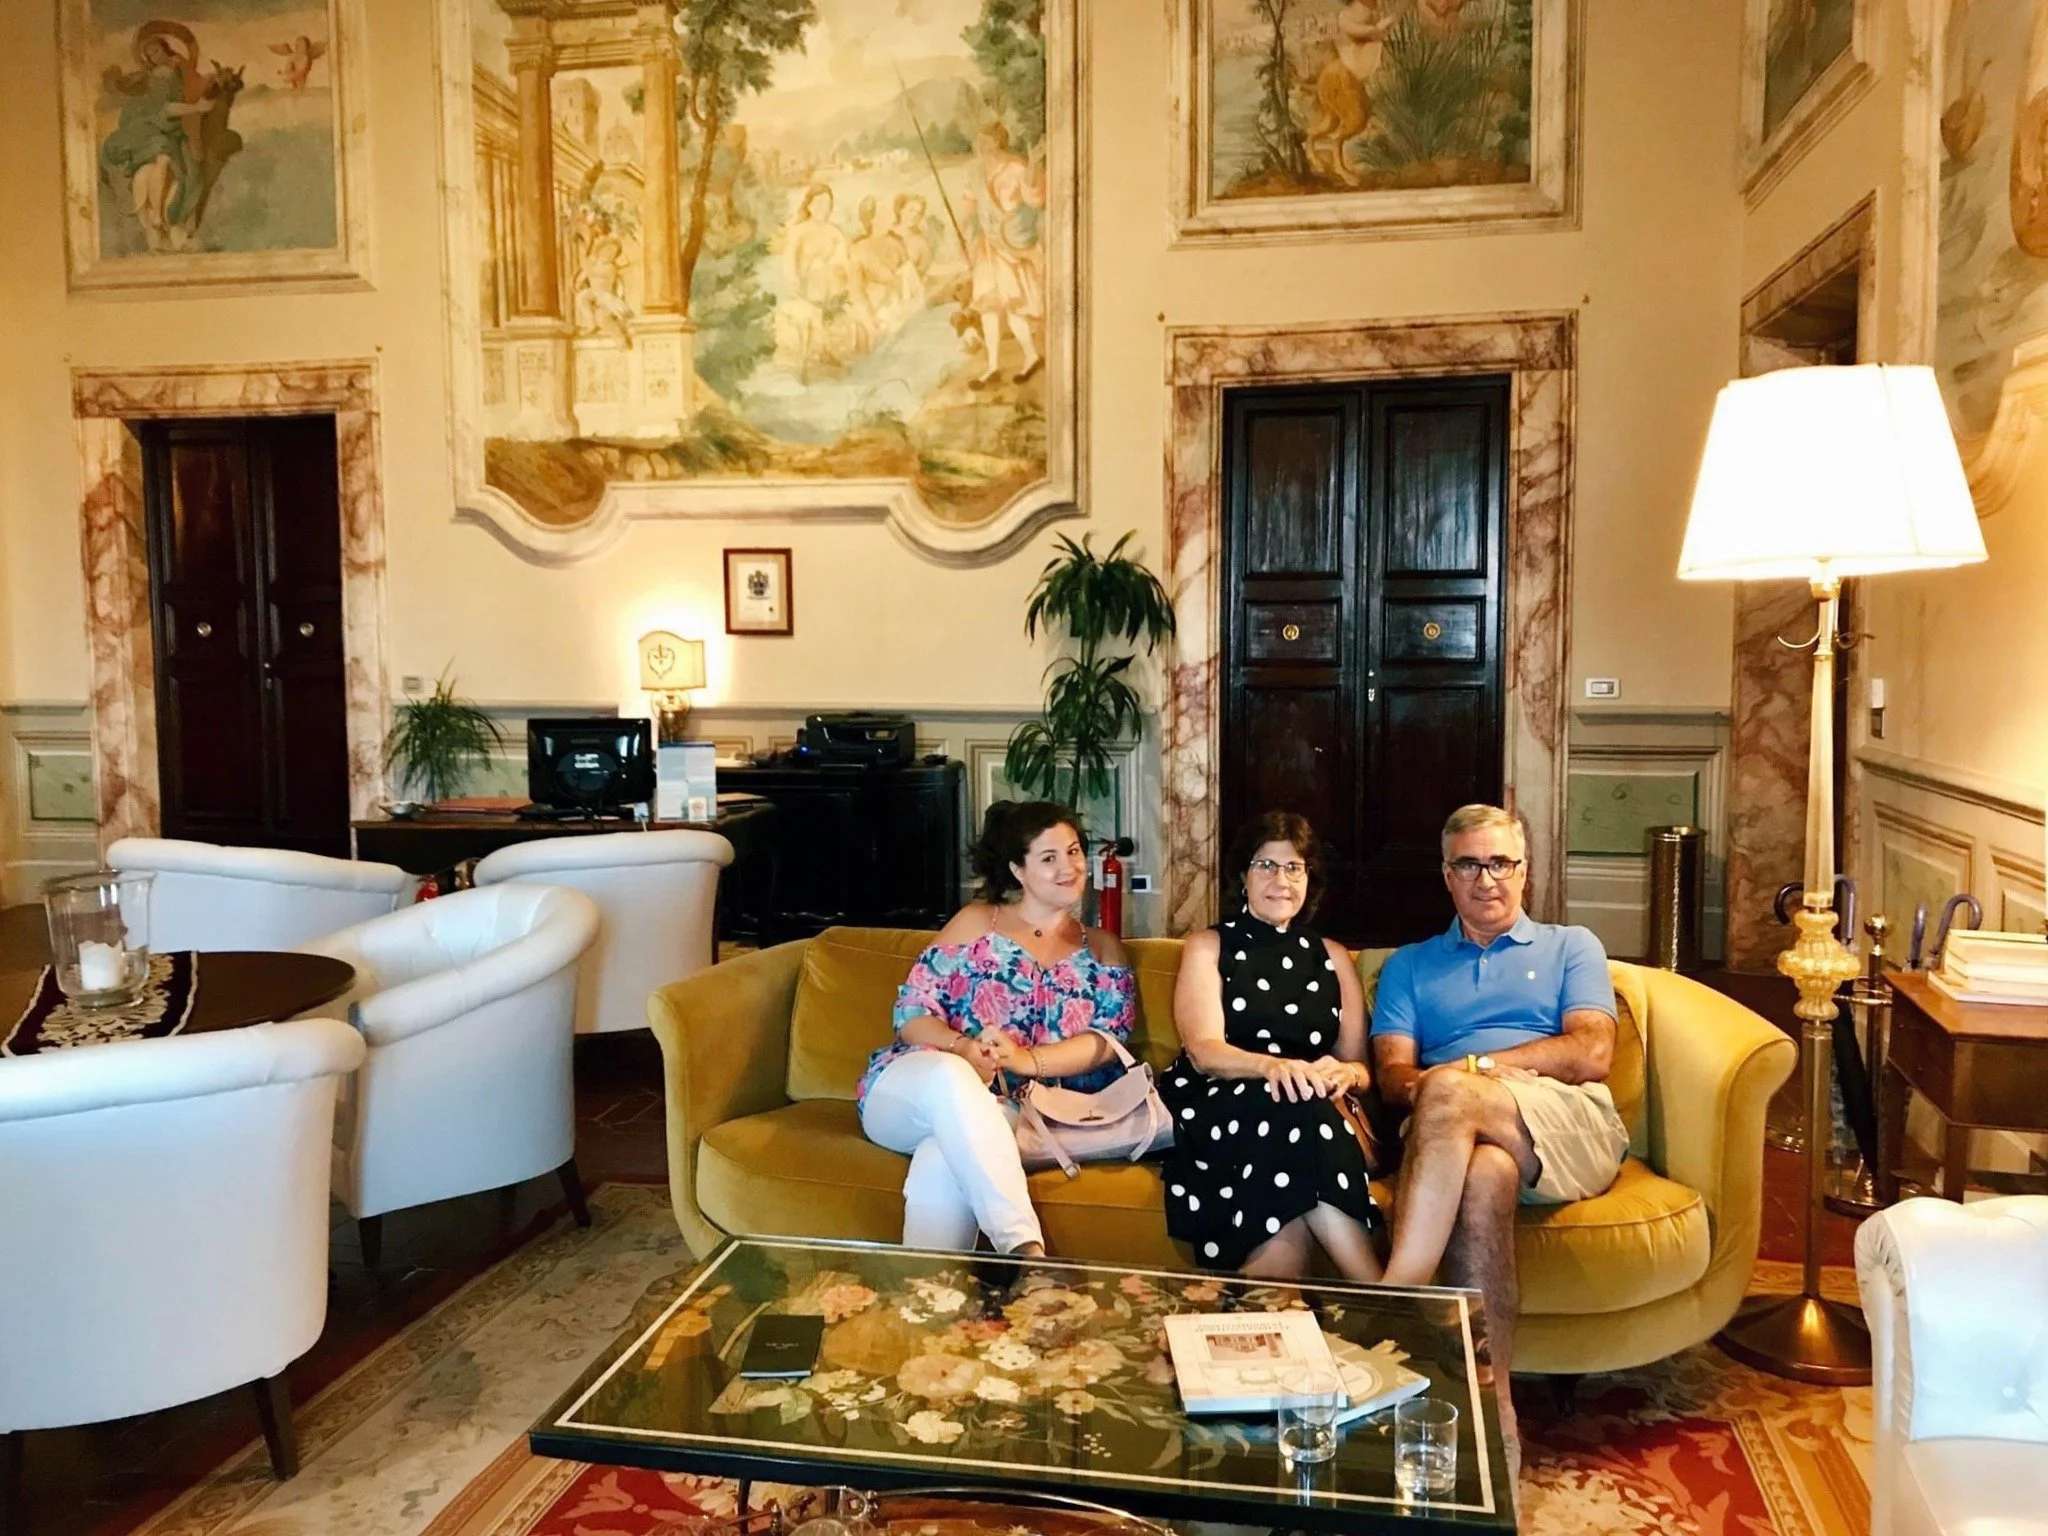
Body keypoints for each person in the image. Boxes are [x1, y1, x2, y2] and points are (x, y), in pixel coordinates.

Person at [1372, 803, 1628, 1455]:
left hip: (1564, 1120)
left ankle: (1393, 1298)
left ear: (1524, 870)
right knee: (1486, 1174)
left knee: (1450, 1090)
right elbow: (1394, 1077)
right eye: (1468, 865)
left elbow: (1592, 1052)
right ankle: (1496, 1412)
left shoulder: (1572, 945)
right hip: (1457, 1137)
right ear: (1447, 875)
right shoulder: (1409, 966)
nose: (1486, 879)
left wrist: (1474, 1071)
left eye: (1500, 863)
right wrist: (1450, 1091)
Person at [857, 801, 1135, 1257]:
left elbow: (1108, 1042)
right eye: (1049, 858)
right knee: (952, 1075)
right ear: (1017, 870)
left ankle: (929, 1298)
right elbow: (911, 1013)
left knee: (941, 1160)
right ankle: (1025, 1251)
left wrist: (1024, 1060)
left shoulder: (1103, 950)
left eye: (1073, 852)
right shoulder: (976, 923)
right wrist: (964, 1048)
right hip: (911, 1091)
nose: (1069, 868)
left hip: (1010, 1107)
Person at [1158, 812, 1381, 1280]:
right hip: (1221, 1098)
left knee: (1296, 1115)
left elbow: (1360, 1067)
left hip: (1309, 1105)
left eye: (1294, 867)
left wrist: (1345, 1074)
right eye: (1266, 866)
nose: (1281, 880)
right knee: (1291, 1106)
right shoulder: (1209, 946)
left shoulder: (1333, 957)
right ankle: (1378, 1288)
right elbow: (1204, 1051)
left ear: (1309, 879)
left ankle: (1271, 1295)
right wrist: (1272, 1067)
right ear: (1243, 877)